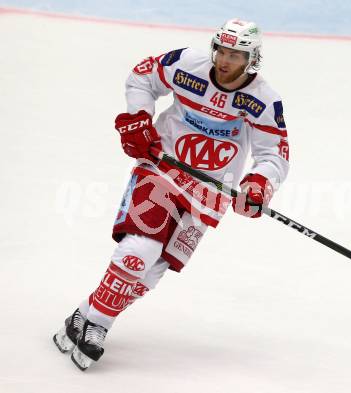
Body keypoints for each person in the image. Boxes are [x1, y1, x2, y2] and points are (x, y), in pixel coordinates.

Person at [53, 18, 290, 371]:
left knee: (150, 273)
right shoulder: (186, 64)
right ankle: (99, 326)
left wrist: (258, 184)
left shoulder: (263, 100)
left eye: (236, 55)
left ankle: (85, 314)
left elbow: (274, 153)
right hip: (163, 168)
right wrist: (138, 119)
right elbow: (142, 76)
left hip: (209, 191)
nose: (225, 61)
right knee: (139, 249)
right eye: (222, 51)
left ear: (251, 59)